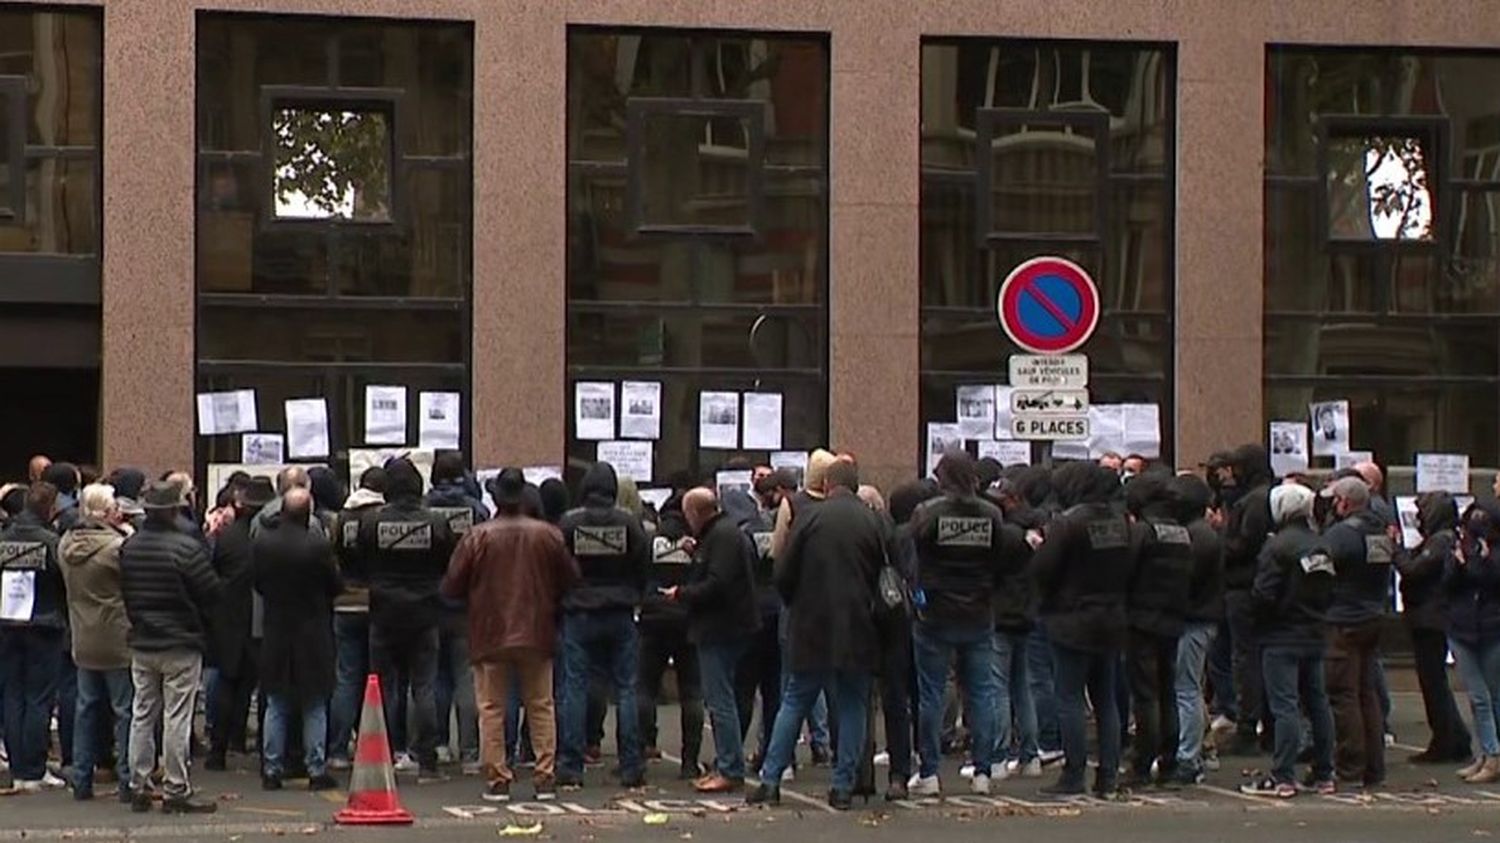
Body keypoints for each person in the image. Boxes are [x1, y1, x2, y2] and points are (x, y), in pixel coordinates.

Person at [748, 460, 886, 810]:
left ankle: (770, 779)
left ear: (826, 485)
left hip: (811, 624)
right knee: (853, 704)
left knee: (794, 700)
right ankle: (842, 786)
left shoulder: (809, 518)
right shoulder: (873, 521)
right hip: (857, 624)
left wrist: (797, 603)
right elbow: (885, 575)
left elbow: (783, 573)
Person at [441, 467, 579, 803]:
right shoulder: (548, 535)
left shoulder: (477, 536)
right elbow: (571, 579)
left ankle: (498, 777)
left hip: (490, 633)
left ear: (496, 498)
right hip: (537, 630)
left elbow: (452, 585)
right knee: (541, 706)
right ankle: (545, 777)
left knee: (492, 708)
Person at [907, 451, 1020, 797]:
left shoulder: (927, 513)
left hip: (936, 613)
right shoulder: (991, 514)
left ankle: (929, 770)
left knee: (931, 694)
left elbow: (914, 558)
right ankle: (983, 769)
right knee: (982, 693)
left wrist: (920, 599)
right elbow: (1000, 560)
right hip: (978, 610)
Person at [1031, 462, 1139, 798]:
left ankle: (1073, 773)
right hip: (1111, 616)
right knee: (1106, 698)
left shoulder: (1068, 522)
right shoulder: (1121, 522)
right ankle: (1108, 775)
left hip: (1072, 617)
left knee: (1070, 696)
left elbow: (1043, 569)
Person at [118, 480, 222, 814]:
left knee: (142, 712)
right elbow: (210, 593)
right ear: (175, 510)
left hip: (143, 638)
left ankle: (138, 784)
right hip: (180, 639)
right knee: (177, 715)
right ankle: (176, 787)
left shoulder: (130, 546)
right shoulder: (185, 547)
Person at [357, 457, 456, 780]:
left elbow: (361, 561)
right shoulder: (437, 523)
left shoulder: (371, 523)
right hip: (425, 610)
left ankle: (384, 752)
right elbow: (447, 563)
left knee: (384, 687)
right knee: (423, 686)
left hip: (384, 610)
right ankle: (426, 757)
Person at [555, 461, 650, 790]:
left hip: (579, 611)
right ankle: (631, 765)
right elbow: (643, 564)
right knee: (626, 688)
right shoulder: (629, 523)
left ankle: (570, 765)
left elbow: (557, 564)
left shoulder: (569, 523)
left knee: (574, 688)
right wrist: (634, 595)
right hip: (620, 610)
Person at [1239, 483, 1336, 798]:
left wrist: (1257, 619)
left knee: (1285, 706)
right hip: (1313, 631)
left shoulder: (1277, 547)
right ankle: (1324, 772)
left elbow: (1263, 593)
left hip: (1280, 634)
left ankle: (1282, 775)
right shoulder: (1320, 545)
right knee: (1318, 703)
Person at [663, 487, 761, 793]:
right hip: (730, 625)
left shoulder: (723, 537)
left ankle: (729, 767)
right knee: (722, 699)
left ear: (695, 513)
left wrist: (681, 594)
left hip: (721, 628)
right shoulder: (724, 534)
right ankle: (725, 763)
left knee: (720, 702)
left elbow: (717, 584)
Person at [253, 487, 341, 791]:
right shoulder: (317, 545)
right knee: (315, 702)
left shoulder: (264, 543)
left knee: (276, 701)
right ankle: (316, 768)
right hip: (313, 629)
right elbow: (334, 585)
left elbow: (259, 583)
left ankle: (272, 768)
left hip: (277, 627)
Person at [58, 483, 134, 801]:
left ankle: (81, 775)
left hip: (83, 635)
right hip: (117, 637)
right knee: (125, 711)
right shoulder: (116, 548)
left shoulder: (65, 544)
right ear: (106, 512)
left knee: (86, 708)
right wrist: (128, 533)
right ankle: (128, 779)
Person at [1121, 474, 1195, 789]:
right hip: (1173, 617)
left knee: (1146, 695)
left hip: (1141, 618)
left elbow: (1126, 570)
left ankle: (1142, 764)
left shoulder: (1142, 531)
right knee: (1168, 692)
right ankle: (1169, 762)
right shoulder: (1181, 533)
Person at [1320, 475, 1394, 788]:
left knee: (1343, 694)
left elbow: (1317, 567)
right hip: (1373, 615)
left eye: (1335, 500)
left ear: (1345, 502)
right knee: (1367, 694)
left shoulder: (1341, 534)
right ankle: (1374, 767)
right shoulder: (1380, 532)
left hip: (1343, 619)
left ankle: (1350, 766)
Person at [0, 481, 68, 791]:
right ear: (50, 508)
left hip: (7, 625)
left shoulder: (4, 539)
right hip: (45, 625)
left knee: (12, 695)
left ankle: (18, 768)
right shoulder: (51, 542)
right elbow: (63, 581)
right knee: (39, 698)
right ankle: (34, 768)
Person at [1397, 492, 1473, 765]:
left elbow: (1414, 570)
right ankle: (1454, 737)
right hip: (1432, 617)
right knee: (1435, 682)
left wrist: (1396, 550)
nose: (1417, 519)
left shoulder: (1440, 541)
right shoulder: (1444, 538)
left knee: (1433, 683)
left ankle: (1446, 740)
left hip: (1431, 619)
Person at [205, 477, 274, 771]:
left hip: (230, 619)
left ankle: (218, 749)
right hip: (265, 620)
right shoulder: (272, 535)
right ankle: (264, 749)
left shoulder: (228, 537)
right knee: (267, 689)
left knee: (227, 684)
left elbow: (213, 572)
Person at [637, 490, 706, 780]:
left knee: (645, 688)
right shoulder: (695, 545)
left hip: (653, 618)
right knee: (691, 691)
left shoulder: (650, 541)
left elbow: (639, 576)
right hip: (687, 620)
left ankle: (642, 748)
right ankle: (690, 761)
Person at [427, 452, 488, 775]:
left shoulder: (424, 508)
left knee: (435, 677)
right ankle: (469, 750)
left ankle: (437, 744)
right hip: (468, 603)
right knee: (467, 678)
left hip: (433, 600)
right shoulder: (477, 511)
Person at [1168, 474, 1225, 785]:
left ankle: (1188, 757)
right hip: (1202, 617)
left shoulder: (1196, 537)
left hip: (1193, 619)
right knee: (1192, 687)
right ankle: (1199, 749)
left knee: (1186, 688)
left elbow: (1184, 579)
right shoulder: (1203, 533)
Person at [328, 467, 386, 770]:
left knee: (346, 677)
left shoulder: (341, 518)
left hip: (344, 602)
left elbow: (333, 557)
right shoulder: (382, 518)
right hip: (376, 602)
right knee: (377, 679)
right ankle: (378, 746)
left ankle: (338, 749)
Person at [1221, 444, 1275, 756]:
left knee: (1247, 659)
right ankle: (1265, 724)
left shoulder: (1253, 501)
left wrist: (1221, 544)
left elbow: (1243, 544)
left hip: (1245, 587)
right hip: (1256, 586)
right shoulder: (1264, 496)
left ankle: (1249, 725)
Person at [1445, 501, 1500, 783]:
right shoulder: (1460, 549)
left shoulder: (1492, 555)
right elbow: (1447, 583)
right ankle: (1486, 754)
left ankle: (1493, 755)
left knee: (1491, 696)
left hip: (1491, 629)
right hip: (1463, 629)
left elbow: (1489, 580)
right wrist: (1459, 563)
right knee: (1479, 697)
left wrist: (1477, 563)